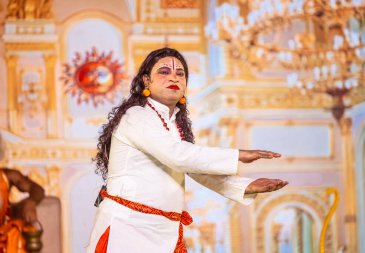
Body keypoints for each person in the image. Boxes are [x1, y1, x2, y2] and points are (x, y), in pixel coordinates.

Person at [87, 47, 288, 253]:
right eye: (164, 72)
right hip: (127, 229)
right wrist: (238, 155)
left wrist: (245, 186)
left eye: (180, 74)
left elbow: (192, 166)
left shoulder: (175, 125)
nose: (173, 77)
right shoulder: (136, 116)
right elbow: (177, 156)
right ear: (146, 81)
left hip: (164, 231)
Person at [0, 167, 45, 253]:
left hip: (3, 234)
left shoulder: (7, 175)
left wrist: (31, 202)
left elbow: (36, 189)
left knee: (20, 232)